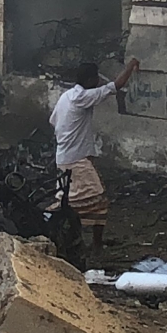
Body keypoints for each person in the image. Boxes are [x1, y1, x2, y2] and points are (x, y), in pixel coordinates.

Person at [50, 59, 140, 250]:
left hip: (64, 156)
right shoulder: (82, 98)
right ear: (91, 79)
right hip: (76, 160)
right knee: (97, 199)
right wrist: (131, 66)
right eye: (96, 77)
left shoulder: (66, 96)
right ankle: (96, 244)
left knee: (67, 199)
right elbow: (116, 86)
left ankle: (64, 234)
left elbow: (54, 121)